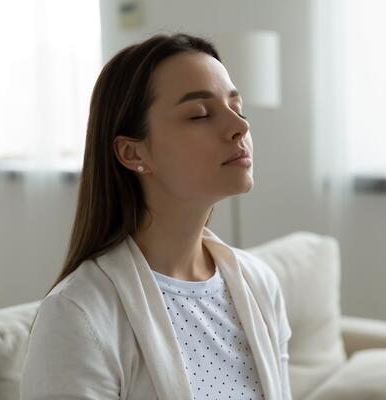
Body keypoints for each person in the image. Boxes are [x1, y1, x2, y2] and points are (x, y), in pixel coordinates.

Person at [21, 33, 292, 400]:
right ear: (133, 153)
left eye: (238, 107)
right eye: (200, 114)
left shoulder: (259, 285)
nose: (240, 127)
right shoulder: (77, 314)